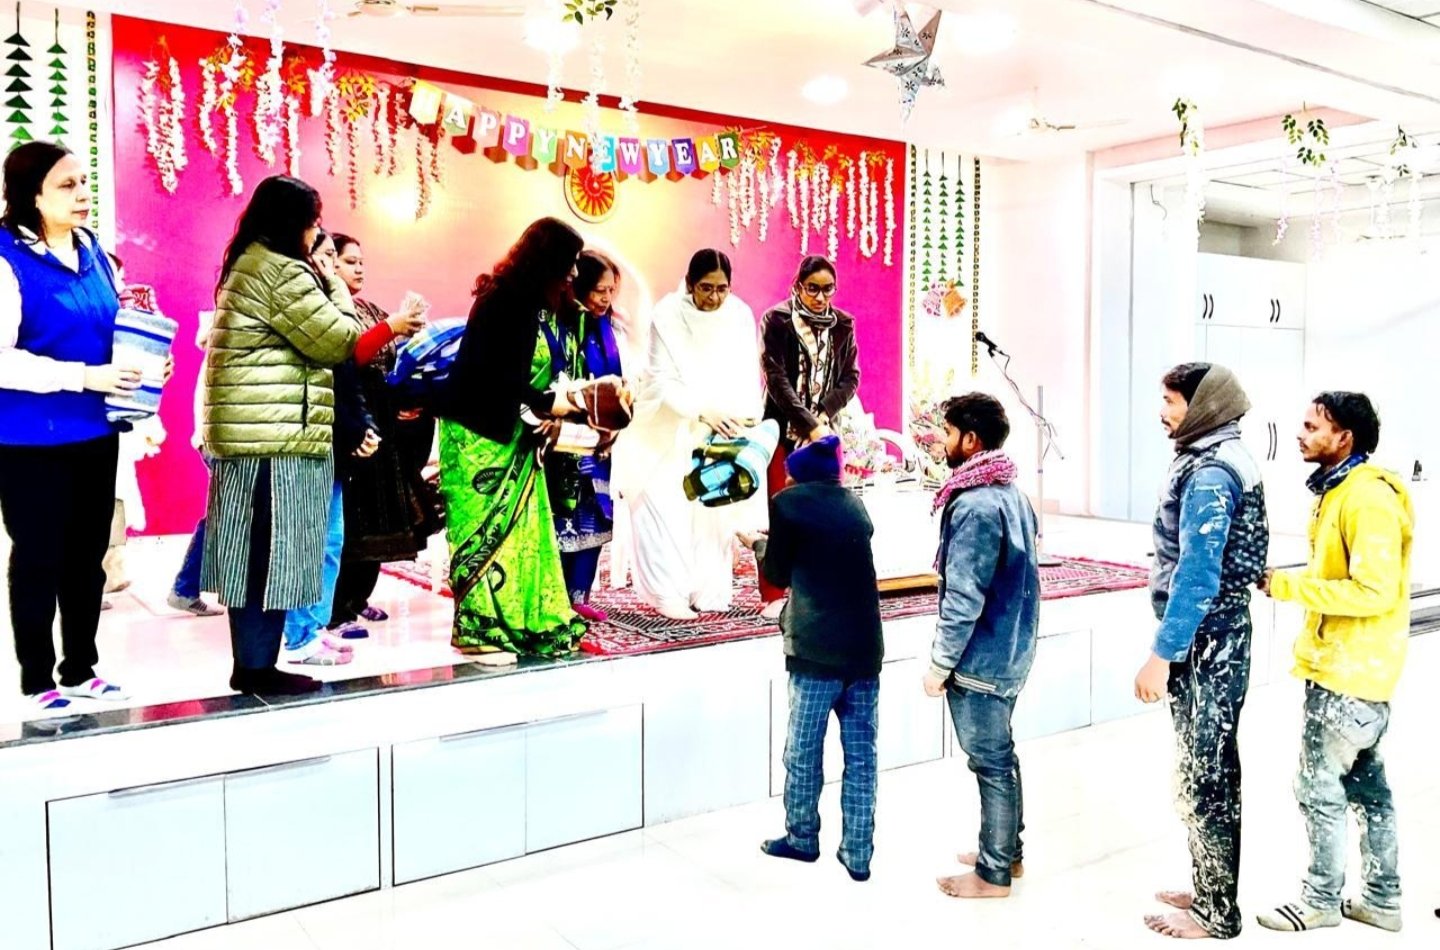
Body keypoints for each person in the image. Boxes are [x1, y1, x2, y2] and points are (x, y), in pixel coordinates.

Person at [0, 141, 148, 710]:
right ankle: (37, 677)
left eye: (84, 182)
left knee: (88, 558)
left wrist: (146, 364)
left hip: (96, 432)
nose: (82, 194)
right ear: (31, 195)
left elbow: (113, 330)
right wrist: (84, 376)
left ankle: (81, 667)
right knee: (39, 556)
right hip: (28, 439)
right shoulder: (7, 260)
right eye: (66, 185)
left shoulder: (93, 252)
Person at [1256, 393, 1411, 935]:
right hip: (1362, 669)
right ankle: (1382, 902)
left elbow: (1373, 591)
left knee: (1318, 788)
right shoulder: (1340, 490)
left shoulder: (1365, 498)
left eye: (1311, 426)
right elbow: (1341, 575)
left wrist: (1288, 587)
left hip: (1349, 672)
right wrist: (1289, 580)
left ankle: (1320, 901)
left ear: (1344, 438)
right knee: (1369, 791)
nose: (1300, 434)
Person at [201, 176, 360, 696]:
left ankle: (256, 664)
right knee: (268, 558)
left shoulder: (249, 262)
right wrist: (334, 284)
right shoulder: (281, 271)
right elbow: (339, 340)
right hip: (274, 442)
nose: (317, 233)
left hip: (257, 436)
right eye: (313, 222)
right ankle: (255, 667)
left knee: (256, 557)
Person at [1136, 362, 1268, 940]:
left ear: (1204, 404)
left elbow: (1197, 575)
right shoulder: (1212, 457)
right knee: (1203, 763)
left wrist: (1161, 655)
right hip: (1214, 631)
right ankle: (1209, 884)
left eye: (1171, 401)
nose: (1162, 412)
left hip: (1209, 636)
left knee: (1207, 770)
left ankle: (1216, 911)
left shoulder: (1212, 471)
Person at [435, 217, 591, 663]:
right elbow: (496, 378)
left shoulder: (539, 304)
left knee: (523, 535)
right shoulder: (503, 300)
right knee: (483, 534)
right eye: (569, 262)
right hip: (479, 436)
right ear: (547, 260)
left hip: (516, 437)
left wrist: (563, 403)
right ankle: (478, 632)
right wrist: (552, 405)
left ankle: (521, 624)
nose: (574, 272)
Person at [738, 434, 882, 882]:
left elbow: (778, 573)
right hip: (864, 650)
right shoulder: (855, 504)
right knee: (861, 757)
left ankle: (802, 837)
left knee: (803, 750)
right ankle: (858, 854)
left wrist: (757, 545)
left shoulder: (788, 504)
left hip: (815, 649)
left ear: (797, 475)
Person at [920, 393, 1039, 900]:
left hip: (982, 658)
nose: (941, 442)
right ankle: (1005, 851)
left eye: (948, 433)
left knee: (991, 763)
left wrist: (939, 664)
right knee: (1001, 757)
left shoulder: (974, 505)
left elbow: (964, 596)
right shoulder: (1012, 493)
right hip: (1012, 648)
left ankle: (992, 874)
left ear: (971, 440)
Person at [619, 249, 765, 620]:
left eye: (722, 288)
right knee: (666, 509)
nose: (714, 297)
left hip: (722, 430)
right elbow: (659, 380)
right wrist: (701, 410)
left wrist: (741, 418)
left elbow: (747, 374)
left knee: (712, 511)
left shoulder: (739, 315)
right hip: (667, 430)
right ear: (689, 284)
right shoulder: (667, 315)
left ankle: (707, 590)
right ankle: (667, 592)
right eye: (705, 288)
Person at [327, 233, 432, 634]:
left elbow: (391, 361)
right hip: (354, 425)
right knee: (352, 524)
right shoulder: (330, 310)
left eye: (361, 261)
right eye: (349, 261)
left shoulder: (369, 308)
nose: (358, 268)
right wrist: (391, 327)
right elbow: (351, 354)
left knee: (380, 519)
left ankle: (358, 598)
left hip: (383, 426)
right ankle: (337, 609)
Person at [757, 256, 861, 620]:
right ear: (798, 286)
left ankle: (815, 588)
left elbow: (850, 378)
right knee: (781, 510)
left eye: (827, 289)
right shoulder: (777, 320)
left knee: (823, 512)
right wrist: (806, 422)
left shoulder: (843, 324)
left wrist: (822, 417)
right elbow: (775, 378)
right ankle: (774, 593)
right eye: (812, 289)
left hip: (824, 431)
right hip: (783, 430)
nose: (820, 297)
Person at [546, 250, 625, 623]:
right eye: (598, 290)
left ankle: (580, 596)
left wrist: (613, 424)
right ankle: (556, 599)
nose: (606, 298)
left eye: (610, 291)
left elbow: (616, 381)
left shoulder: (606, 329)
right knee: (563, 520)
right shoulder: (561, 327)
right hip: (564, 440)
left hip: (600, 442)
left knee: (595, 518)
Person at [167, 310, 225, 617]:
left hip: (213, 439)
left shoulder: (221, 337)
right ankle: (185, 587)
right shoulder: (227, 340)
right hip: (221, 442)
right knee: (222, 517)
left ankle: (187, 588)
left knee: (223, 515)